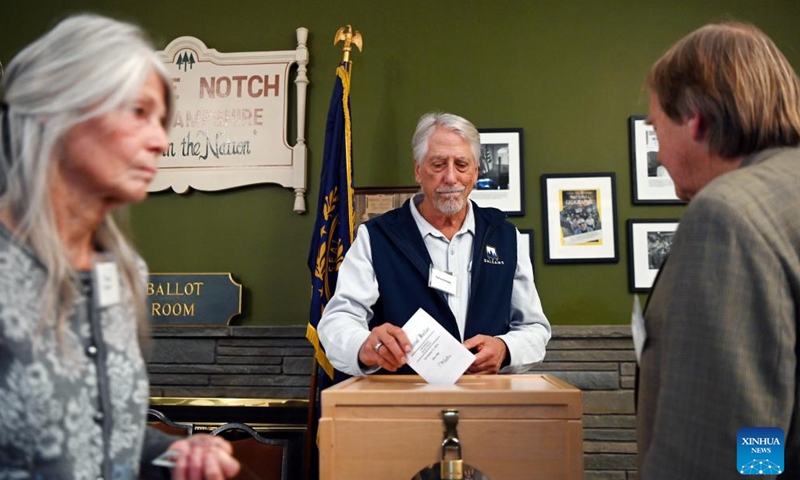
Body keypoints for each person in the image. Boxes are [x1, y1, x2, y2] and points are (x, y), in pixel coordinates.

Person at [0, 14, 240, 479]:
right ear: (55, 108)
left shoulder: (125, 269)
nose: (161, 141)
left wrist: (179, 454)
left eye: (163, 120)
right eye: (138, 112)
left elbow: (107, 441)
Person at [637, 21, 800, 478]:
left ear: (696, 120)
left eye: (656, 131)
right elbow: (766, 424)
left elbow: (730, 442)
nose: (661, 156)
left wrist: (756, 465)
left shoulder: (727, 216)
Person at [318, 112, 550, 376]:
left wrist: (505, 348)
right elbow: (337, 321)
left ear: (475, 173)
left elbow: (534, 329)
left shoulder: (507, 238)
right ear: (418, 170)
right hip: (403, 404)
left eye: (461, 165)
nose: (450, 177)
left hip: (486, 401)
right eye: (438, 164)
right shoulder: (376, 237)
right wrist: (364, 346)